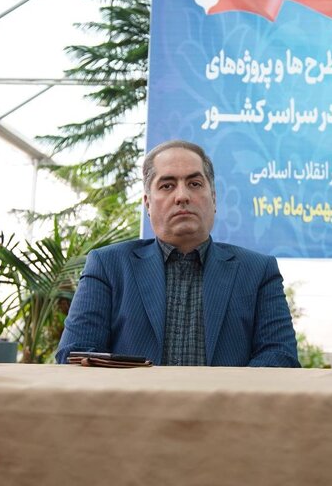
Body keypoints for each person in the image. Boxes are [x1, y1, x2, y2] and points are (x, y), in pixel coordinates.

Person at [56, 140, 300, 367]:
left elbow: (280, 356)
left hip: (228, 401)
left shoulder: (257, 271)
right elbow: (75, 355)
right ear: (148, 203)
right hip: (133, 401)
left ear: (214, 198)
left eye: (195, 184)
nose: (182, 196)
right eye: (167, 186)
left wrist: (219, 395)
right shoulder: (108, 266)